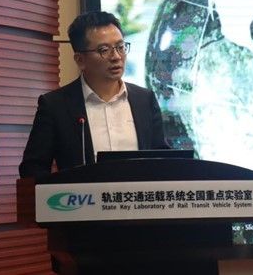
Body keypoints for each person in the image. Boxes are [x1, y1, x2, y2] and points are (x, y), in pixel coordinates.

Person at [19, 11, 170, 179]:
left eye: (120, 47)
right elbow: (32, 168)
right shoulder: (56, 105)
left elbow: (164, 161)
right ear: (80, 60)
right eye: (104, 50)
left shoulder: (144, 100)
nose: (116, 57)